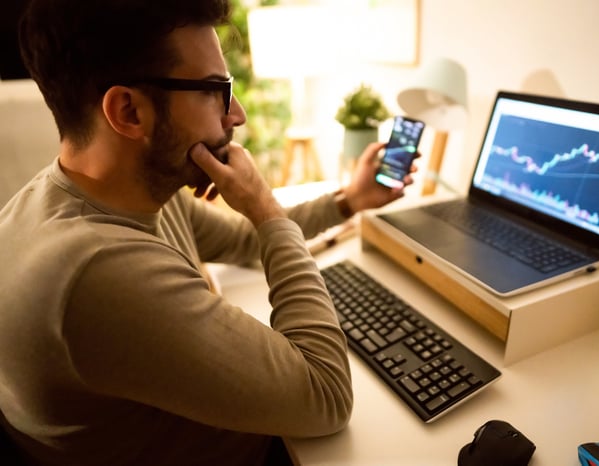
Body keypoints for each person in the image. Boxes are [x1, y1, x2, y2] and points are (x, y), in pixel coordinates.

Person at [0, 0, 418, 465]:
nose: (235, 114)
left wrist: (349, 201)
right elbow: (327, 395)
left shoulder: (107, 191)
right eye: (217, 90)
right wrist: (263, 206)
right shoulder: (97, 271)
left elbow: (242, 242)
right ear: (129, 111)